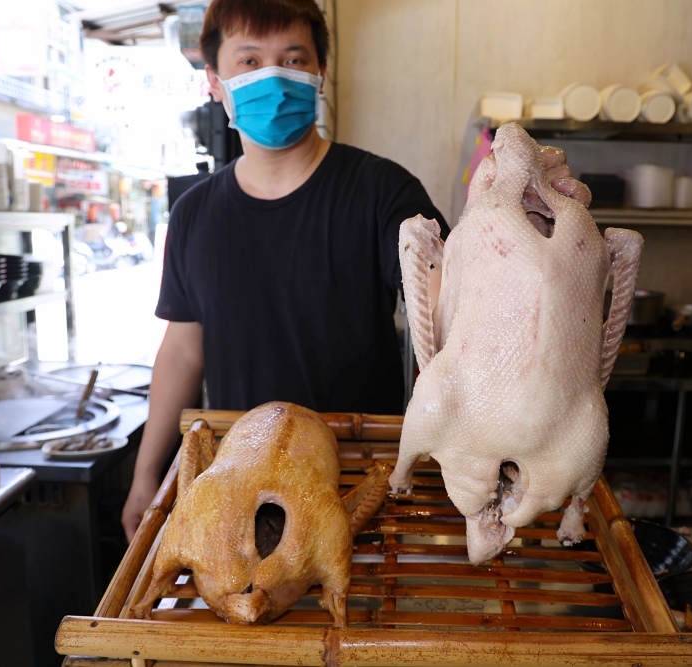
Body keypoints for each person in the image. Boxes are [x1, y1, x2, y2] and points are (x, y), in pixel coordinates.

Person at [121, 0, 590, 540]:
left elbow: (449, 307)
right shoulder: (193, 214)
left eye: (293, 59)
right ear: (214, 80)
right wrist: (144, 476)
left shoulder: (384, 192)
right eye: (249, 61)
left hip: (359, 477)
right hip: (235, 480)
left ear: (319, 75)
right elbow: (182, 347)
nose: (273, 77)